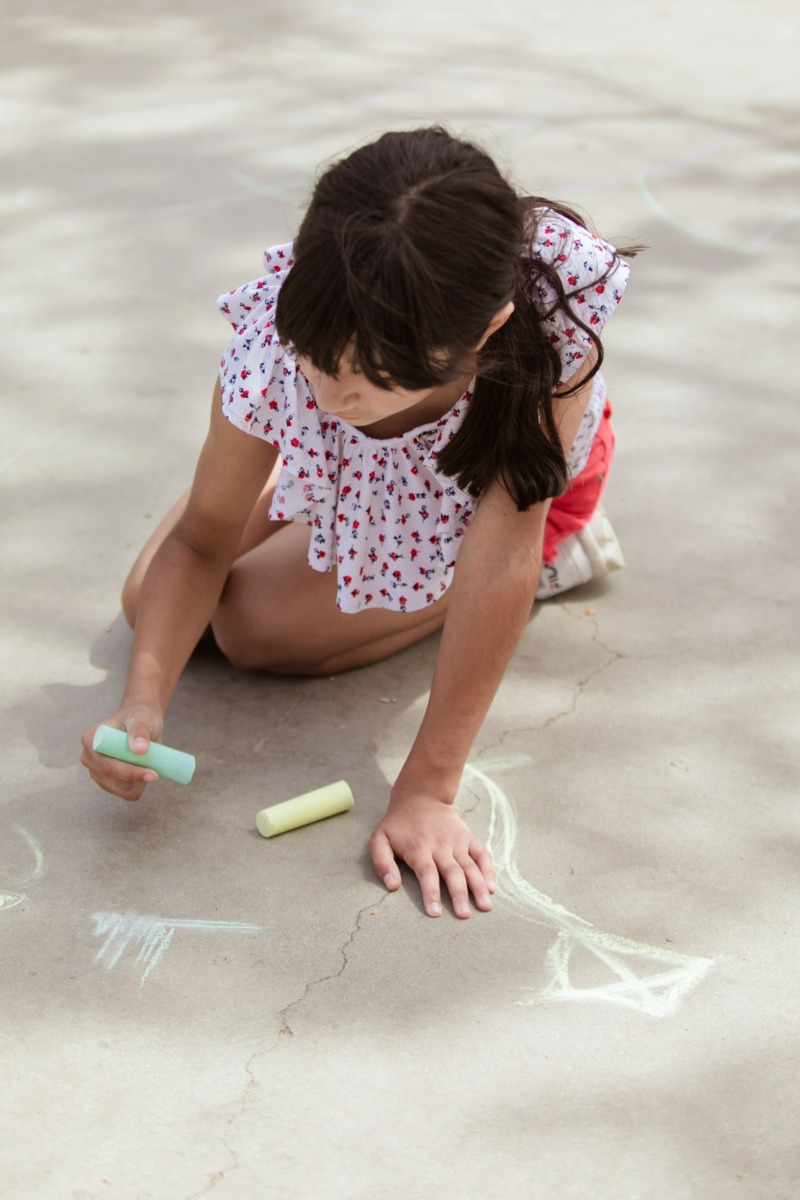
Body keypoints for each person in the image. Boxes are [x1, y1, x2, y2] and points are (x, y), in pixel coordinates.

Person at [81, 126, 638, 920]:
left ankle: (569, 550)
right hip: (361, 470)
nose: (334, 393)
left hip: (490, 508)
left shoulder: (540, 340)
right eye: (320, 361)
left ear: (480, 335)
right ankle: (337, 492)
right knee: (152, 607)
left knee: (250, 629)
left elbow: (495, 563)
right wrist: (141, 702)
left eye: (375, 379)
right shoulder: (291, 338)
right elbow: (201, 537)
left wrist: (427, 791)